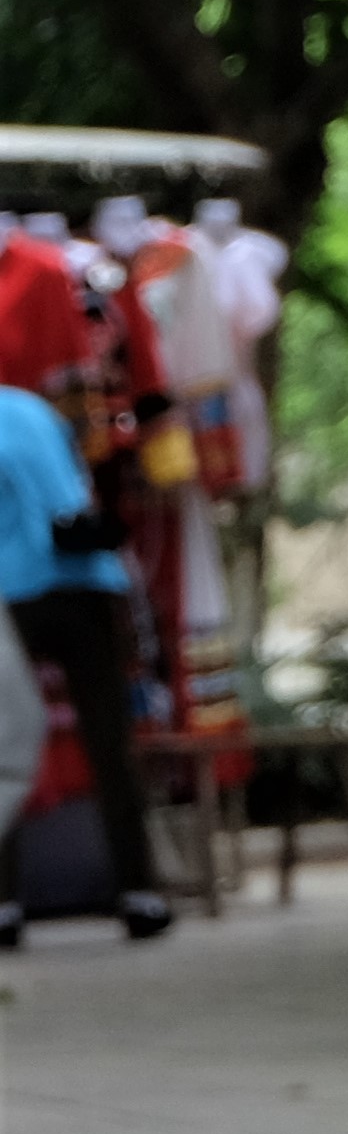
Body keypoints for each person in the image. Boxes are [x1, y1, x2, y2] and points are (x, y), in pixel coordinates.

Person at [0, 369, 168, 942]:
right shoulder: (34, 411)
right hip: (89, 582)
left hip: (14, 589)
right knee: (110, 743)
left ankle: (4, 904)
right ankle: (140, 891)